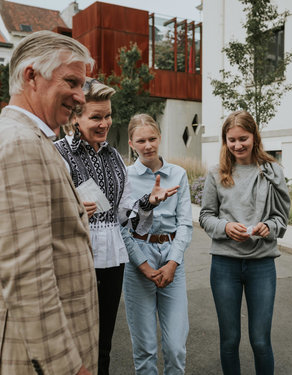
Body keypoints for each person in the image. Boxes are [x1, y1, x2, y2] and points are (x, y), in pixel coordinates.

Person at [0, 30, 97, 374]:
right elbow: (29, 277)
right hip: (35, 359)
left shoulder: (18, 137)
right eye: (72, 81)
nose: (80, 96)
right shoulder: (19, 144)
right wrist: (67, 368)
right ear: (31, 76)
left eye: (82, 84)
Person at [54, 80, 178, 375]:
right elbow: (41, 208)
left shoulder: (115, 158)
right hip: (74, 257)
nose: (104, 123)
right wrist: (69, 210)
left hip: (111, 259)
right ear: (75, 117)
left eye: (107, 116)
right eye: (96, 117)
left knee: (103, 342)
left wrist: (147, 203)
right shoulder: (57, 154)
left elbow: (125, 217)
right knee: (73, 342)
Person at [199, 110, 290, 375]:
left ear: (254, 137)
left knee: (261, 341)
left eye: (243, 138)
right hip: (224, 265)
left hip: (261, 265)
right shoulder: (217, 173)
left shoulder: (272, 172)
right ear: (225, 141)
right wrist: (226, 227)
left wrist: (268, 227)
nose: (238, 145)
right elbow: (205, 216)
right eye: (231, 139)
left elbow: (281, 218)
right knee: (229, 340)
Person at [121, 114, 192, 374]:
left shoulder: (178, 174)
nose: (148, 145)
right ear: (131, 143)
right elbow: (122, 226)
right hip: (139, 256)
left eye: (152, 138)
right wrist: (142, 264)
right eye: (141, 141)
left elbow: (185, 223)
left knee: (175, 348)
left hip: (172, 256)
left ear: (160, 137)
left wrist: (173, 262)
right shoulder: (125, 177)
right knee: (145, 349)